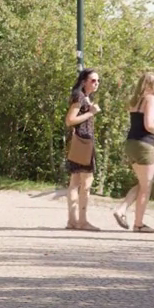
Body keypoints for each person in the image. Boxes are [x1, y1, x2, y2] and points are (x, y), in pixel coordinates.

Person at [113, 72, 154, 233]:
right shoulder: (150, 99)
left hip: (131, 144)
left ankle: (122, 209)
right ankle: (138, 224)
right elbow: (149, 126)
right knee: (146, 187)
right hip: (145, 145)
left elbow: (141, 123)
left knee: (142, 183)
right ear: (149, 85)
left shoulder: (135, 101)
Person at [62, 68, 100, 231]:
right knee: (85, 183)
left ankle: (73, 221)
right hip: (82, 142)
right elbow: (70, 120)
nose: (96, 83)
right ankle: (82, 221)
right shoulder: (80, 97)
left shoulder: (84, 96)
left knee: (75, 182)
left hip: (80, 141)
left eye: (98, 81)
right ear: (84, 81)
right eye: (93, 80)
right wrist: (91, 113)